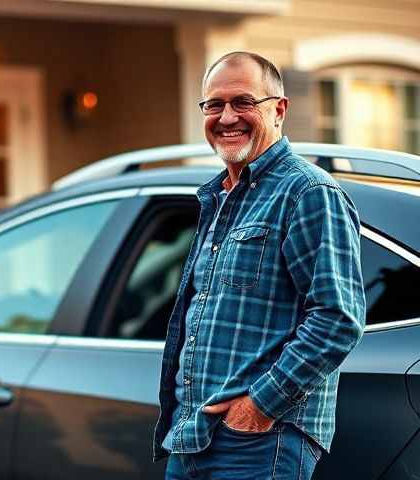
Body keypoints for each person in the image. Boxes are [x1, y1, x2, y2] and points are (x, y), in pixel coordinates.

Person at [152, 51, 366, 479]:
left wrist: (261, 405)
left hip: (258, 443)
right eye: (214, 105)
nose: (227, 116)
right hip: (191, 435)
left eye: (243, 102)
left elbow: (338, 318)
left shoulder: (307, 192)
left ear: (279, 110)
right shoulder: (218, 199)